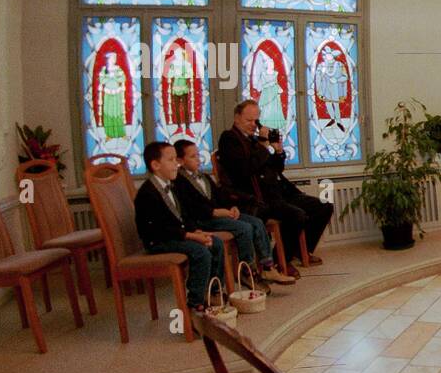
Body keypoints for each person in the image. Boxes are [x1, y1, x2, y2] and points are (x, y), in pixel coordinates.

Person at [217, 99, 333, 271]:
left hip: (280, 191)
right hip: (258, 198)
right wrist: (263, 144)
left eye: (256, 120)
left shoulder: (254, 141)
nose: (254, 125)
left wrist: (278, 151)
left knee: (323, 207)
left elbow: (276, 168)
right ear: (237, 118)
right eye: (249, 120)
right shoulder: (229, 139)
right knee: (296, 215)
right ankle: (280, 261)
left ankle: (300, 251)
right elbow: (245, 169)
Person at [172, 139, 295, 287]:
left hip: (219, 214)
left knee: (256, 222)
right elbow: (189, 207)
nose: (198, 159)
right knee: (244, 228)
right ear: (180, 160)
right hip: (204, 219)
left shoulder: (203, 177)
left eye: (198, 155)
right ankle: (247, 270)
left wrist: (232, 207)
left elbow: (219, 196)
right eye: (192, 157)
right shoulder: (179, 181)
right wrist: (215, 211)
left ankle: (268, 266)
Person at [134, 141, 224, 314]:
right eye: (171, 160)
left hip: (175, 235)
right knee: (200, 252)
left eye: (176, 159)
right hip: (158, 241)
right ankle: (195, 303)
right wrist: (190, 236)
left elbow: (182, 216)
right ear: (155, 165)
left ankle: (212, 290)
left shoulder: (171, 185)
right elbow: (159, 229)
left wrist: (196, 231)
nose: (176, 164)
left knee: (216, 242)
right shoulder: (148, 193)